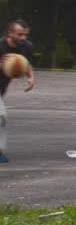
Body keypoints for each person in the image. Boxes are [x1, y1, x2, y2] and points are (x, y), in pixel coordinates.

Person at [1, 19, 37, 164]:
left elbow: (26, 64)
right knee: (1, 116)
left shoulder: (26, 47)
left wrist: (31, 78)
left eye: (25, 35)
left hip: (1, 87)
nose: (23, 38)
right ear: (10, 33)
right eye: (20, 34)